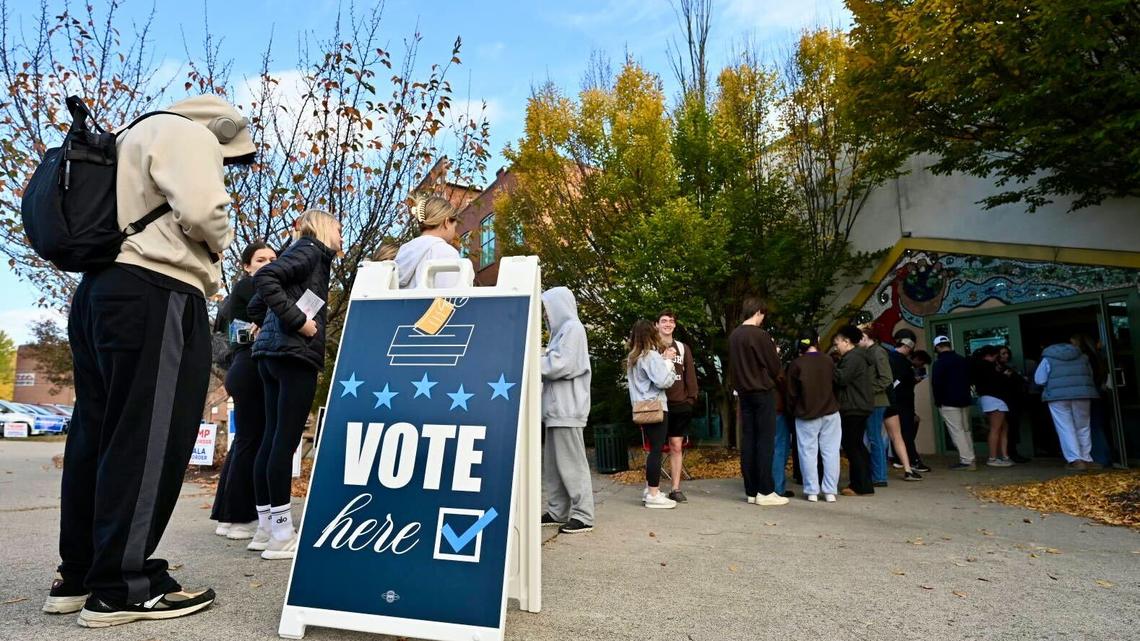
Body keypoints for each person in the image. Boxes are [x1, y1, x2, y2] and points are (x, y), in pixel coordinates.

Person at [50, 95, 254, 626]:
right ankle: (123, 585)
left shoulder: (127, 136)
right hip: (157, 287)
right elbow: (205, 210)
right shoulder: (188, 133)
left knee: (97, 432)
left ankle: (79, 574)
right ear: (223, 131)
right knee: (148, 437)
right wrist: (220, 250)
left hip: (101, 289)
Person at [248, 210, 340, 560]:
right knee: (283, 441)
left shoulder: (302, 254)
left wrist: (277, 322)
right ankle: (283, 533)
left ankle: (267, 527)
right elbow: (265, 278)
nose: (341, 236)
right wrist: (299, 321)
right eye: (338, 229)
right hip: (293, 356)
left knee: (272, 439)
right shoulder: (310, 250)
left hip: (271, 356)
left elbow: (258, 305)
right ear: (322, 228)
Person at [211, 241, 277, 540]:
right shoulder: (251, 286)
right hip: (249, 368)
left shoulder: (238, 294)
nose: (268, 263)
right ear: (247, 265)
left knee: (244, 442)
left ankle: (227, 515)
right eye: (260, 259)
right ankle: (240, 518)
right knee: (253, 441)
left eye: (273, 258)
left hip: (241, 368)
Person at [539, 287, 595, 533]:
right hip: (556, 410)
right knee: (554, 466)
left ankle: (584, 514)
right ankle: (557, 510)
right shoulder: (562, 332)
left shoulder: (573, 328)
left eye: (547, 309)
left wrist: (529, 359)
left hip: (567, 409)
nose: (545, 315)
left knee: (572, 464)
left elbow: (560, 365)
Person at [728, 297, 788, 506]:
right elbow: (775, 368)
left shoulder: (734, 335)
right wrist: (776, 353)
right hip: (762, 393)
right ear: (759, 312)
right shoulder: (760, 335)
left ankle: (751, 490)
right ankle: (765, 490)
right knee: (765, 441)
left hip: (743, 393)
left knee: (749, 440)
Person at [627, 320, 679, 509]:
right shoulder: (650, 356)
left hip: (641, 408)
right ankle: (653, 493)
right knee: (656, 450)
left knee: (652, 450)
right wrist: (669, 363)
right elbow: (663, 381)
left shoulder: (633, 357)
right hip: (656, 408)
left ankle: (649, 489)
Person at [787, 330, 841, 502]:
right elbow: (837, 383)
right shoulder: (828, 360)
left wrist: (793, 411)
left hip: (805, 413)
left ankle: (811, 490)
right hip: (830, 412)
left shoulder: (796, 364)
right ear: (817, 340)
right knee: (831, 452)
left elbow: (791, 393)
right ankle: (830, 491)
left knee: (807, 452)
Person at [1035, 335, 1099, 470]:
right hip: (1082, 394)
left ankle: (1075, 460)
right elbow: (1090, 375)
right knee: (1083, 426)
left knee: (1065, 427)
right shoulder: (1083, 357)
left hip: (1058, 397)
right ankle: (1086, 458)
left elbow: (1039, 379)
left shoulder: (1048, 359)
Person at [655, 311, 698, 503]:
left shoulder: (682, 347)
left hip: (680, 405)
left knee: (676, 446)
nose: (668, 324)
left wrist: (691, 399)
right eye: (664, 321)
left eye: (671, 321)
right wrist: (664, 358)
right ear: (656, 325)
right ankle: (653, 490)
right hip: (658, 404)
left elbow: (691, 375)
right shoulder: (651, 348)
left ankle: (675, 488)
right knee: (656, 448)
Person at [833, 325, 876, 496]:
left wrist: (829, 367)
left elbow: (842, 379)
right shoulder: (859, 356)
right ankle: (863, 482)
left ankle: (859, 485)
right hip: (858, 405)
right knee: (857, 445)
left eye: (837, 343)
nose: (836, 347)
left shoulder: (853, 358)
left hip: (853, 406)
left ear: (847, 341)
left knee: (852, 446)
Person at [394, 195, 465, 289]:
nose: (454, 231)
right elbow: (449, 299)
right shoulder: (445, 252)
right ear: (447, 222)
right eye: (454, 226)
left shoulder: (404, 251)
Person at [932, 335, 976, 471]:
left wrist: (938, 401)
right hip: (964, 399)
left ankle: (966, 460)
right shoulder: (962, 360)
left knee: (957, 431)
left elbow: (936, 384)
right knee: (966, 429)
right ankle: (970, 457)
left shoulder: (939, 363)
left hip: (948, 401)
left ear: (937, 347)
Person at [857, 328, 894, 486]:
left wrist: (868, 390)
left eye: (860, 338)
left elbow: (886, 378)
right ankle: (877, 474)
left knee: (874, 438)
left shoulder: (878, 352)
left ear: (867, 338)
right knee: (873, 438)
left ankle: (879, 476)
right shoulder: (871, 352)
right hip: (872, 400)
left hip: (876, 401)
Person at [890, 331, 930, 473]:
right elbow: (905, 381)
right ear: (907, 347)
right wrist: (914, 380)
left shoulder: (888, 357)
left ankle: (898, 459)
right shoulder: (903, 362)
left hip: (892, 400)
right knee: (906, 432)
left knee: (895, 433)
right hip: (904, 401)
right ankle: (913, 460)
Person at [971, 346, 1014, 467]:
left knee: (1003, 427)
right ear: (992, 355)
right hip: (995, 399)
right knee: (996, 429)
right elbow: (996, 381)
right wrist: (1005, 375)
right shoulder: (987, 367)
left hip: (989, 398)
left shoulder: (979, 365)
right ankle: (993, 457)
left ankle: (1003, 456)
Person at [997, 345, 1031, 463]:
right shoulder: (1000, 369)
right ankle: (1010, 453)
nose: (1006, 355)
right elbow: (1017, 380)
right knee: (1009, 428)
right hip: (1007, 402)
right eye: (1003, 353)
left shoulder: (1008, 368)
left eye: (1007, 353)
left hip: (1015, 401)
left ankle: (1011, 452)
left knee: (1012, 428)